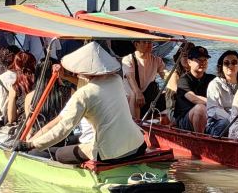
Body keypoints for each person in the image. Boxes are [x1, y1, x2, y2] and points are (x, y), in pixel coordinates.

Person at [18, 42, 146, 164]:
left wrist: (31, 144)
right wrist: (66, 77)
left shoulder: (83, 94)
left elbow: (63, 129)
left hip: (110, 154)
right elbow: (92, 85)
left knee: (60, 154)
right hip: (138, 144)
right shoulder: (116, 80)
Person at [175, 46, 215, 133]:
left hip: (209, 115)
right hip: (185, 119)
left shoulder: (212, 79)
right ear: (189, 62)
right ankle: (200, 140)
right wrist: (214, 103)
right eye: (199, 60)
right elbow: (193, 98)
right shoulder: (183, 80)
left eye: (205, 60)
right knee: (200, 108)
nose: (203, 63)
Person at [123, 40, 167, 119]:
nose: (149, 44)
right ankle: (136, 124)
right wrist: (138, 92)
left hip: (149, 94)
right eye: (145, 42)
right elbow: (130, 77)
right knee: (134, 95)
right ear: (136, 44)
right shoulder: (128, 59)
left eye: (150, 42)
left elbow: (165, 74)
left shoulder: (157, 60)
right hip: (133, 94)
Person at [205, 50, 238, 137]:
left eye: (234, 62)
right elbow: (213, 110)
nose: (230, 66)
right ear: (221, 66)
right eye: (226, 63)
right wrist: (232, 119)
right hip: (217, 122)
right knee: (225, 124)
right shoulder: (215, 84)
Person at [6, 52, 37, 125]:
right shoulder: (41, 82)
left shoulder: (15, 87)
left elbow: (11, 119)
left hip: (24, 126)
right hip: (41, 122)